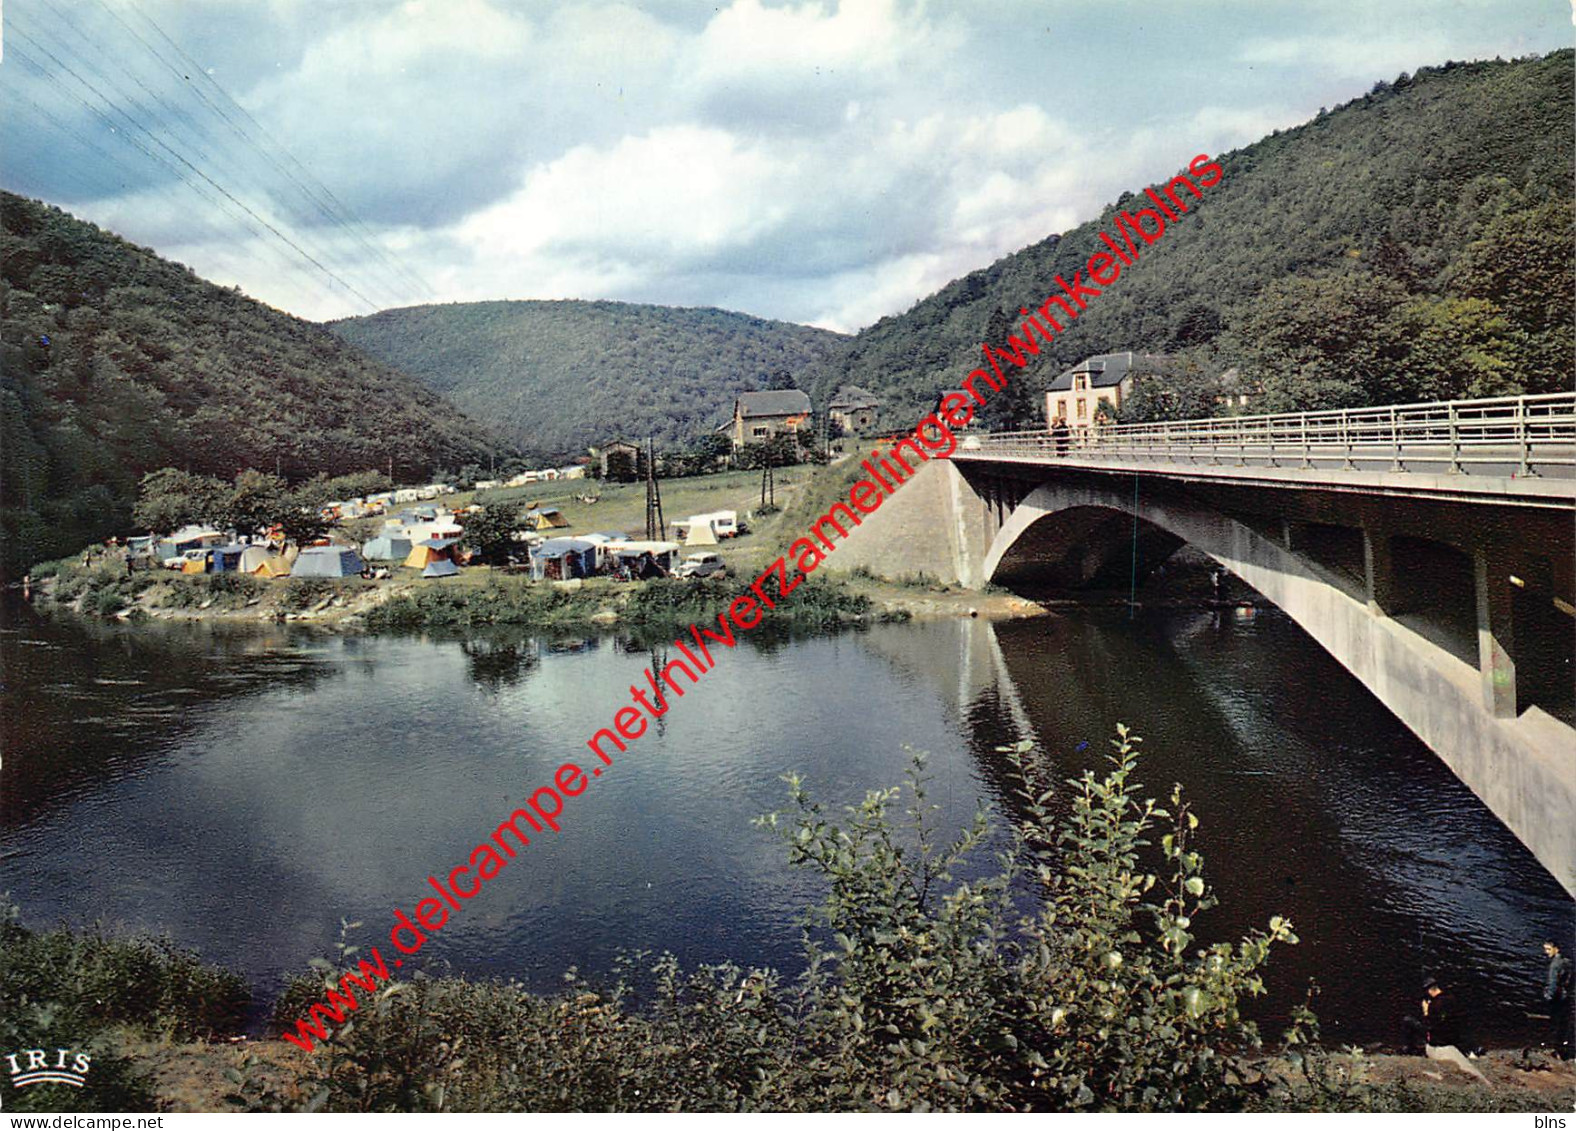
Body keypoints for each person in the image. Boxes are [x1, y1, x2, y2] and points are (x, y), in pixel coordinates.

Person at [1545, 941, 1573, 1060]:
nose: (1546, 952)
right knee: (1564, 1024)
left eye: (1548, 949)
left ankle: (1556, 1050)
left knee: (1556, 1023)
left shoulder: (1554, 965)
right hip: (1568, 997)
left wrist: (1548, 997)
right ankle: (1563, 1048)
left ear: (1556, 949)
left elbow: (1553, 985)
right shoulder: (1567, 962)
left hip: (1559, 998)